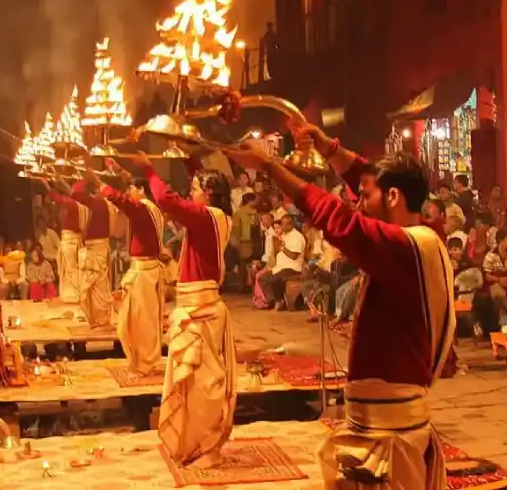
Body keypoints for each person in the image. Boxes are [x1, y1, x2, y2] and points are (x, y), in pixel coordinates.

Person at [222, 125, 454, 490]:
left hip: (391, 431)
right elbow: (369, 179)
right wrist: (330, 148)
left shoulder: (404, 246)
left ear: (393, 196)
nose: (357, 202)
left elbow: (338, 220)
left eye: (364, 196)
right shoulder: (420, 237)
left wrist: (269, 167)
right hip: (381, 420)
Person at [126, 152, 235, 469]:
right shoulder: (213, 215)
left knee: (204, 386)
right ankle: (196, 443)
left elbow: (166, 199)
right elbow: (189, 190)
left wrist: (148, 168)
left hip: (201, 310)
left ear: (210, 193)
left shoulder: (207, 217)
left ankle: (210, 447)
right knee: (190, 385)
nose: (192, 191)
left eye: (196, 187)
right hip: (193, 306)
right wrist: (188, 156)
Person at [92, 162, 167, 376]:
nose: (129, 193)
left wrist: (100, 184)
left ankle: (145, 363)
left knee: (141, 322)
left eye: (132, 189)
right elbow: (127, 198)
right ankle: (140, 361)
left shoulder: (145, 208)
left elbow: (122, 201)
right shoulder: (146, 208)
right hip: (140, 271)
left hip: (145, 273)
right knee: (128, 322)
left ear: (142, 191)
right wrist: (119, 170)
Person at [66, 178, 122, 329]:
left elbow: (73, 194)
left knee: (97, 285)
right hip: (98, 247)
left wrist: (58, 180)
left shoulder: (99, 204)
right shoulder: (107, 205)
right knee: (96, 285)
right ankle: (98, 319)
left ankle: (101, 319)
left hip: (96, 249)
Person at [48, 182, 90, 305]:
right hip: (76, 240)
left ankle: (73, 295)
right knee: (73, 268)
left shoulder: (74, 205)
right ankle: (75, 294)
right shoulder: (85, 206)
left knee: (70, 269)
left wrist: (46, 185)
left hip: (70, 241)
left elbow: (58, 199)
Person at [258, 215, 305, 310]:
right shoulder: (283, 235)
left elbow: (294, 256)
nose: (282, 226)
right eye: (282, 224)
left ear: (291, 224)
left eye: (285, 224)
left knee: (275, 279)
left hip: (292, 268)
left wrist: (282, 247)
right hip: (279, 267)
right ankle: (273, 300)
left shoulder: (297, 237)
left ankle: (279, 301)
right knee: (262, 278)